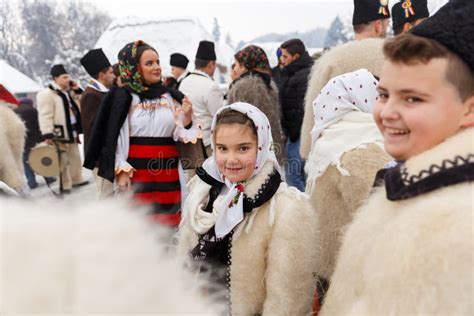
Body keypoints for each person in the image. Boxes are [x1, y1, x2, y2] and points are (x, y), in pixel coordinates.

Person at [321, 1, 474, 314]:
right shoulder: (402, 181)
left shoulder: (456, 224)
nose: (387, 112)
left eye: (413, 99)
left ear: (469, 109)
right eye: (383, 94)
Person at [177, 102, 319, 315]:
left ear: (261, 146)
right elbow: (185, 265)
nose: (231, 159)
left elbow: (288, 297)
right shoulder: (203, 193)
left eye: (243, 148)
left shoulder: (284, 209)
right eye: (222, 148)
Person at [84, 40, 201, 227]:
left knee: (169, 221)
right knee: (141, 222)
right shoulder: (124, 97)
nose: (156, 67)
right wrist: (121, 170)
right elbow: (116, 137)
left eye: (157, 62)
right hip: (137, 171)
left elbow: (181, 135)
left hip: (167, 168)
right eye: (149, 63)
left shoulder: (171, 97)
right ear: (133, 68)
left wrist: (186, 119)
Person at [305, 69, 391, 302]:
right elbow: (379, 222)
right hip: (354, 276)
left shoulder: (330, 142)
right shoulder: (362, 151)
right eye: (381, 96)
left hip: (326, 265)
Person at [300, 0, 391, 160]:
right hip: (388, 152)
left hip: (336, 157)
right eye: (386, 24)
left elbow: (312, 114)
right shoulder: (398, 55)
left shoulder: (330, 60)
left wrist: (308, 152)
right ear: (378, 26)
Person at [227, 45, 285, 164]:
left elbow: (233, 121)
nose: (235, 69)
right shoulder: (269, 84)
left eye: (237, 65)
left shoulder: (241, 87)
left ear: (245, 66)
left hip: (249, 149)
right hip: (271, 144)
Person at [36, 64, 88, 193]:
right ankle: (65, 184)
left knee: (75, 156)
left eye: (68, 77)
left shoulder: (69, 91)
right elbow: (45, 115)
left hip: (72, 130)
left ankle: (77, 179)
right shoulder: (47, 94)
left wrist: (77, 90)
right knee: (62, 159)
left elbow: (83, 103)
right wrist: (47, 133)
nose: (67, 79)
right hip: (58, 132)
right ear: (55, 79)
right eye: (64, 77)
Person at [80, 48, 116, 198]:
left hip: (107, 156)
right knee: (105, 195)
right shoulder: (91, 95)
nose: (114, 76)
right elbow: (94, 129)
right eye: (111, 73)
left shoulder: (102, 92)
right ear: (102, 75)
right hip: (101, 158)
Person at [278, 38, 313, 191]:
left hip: (298, 135)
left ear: (296, 57)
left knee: (293, 177)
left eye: (285, 56)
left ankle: (305, 210)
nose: (281, 60)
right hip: (296, 133)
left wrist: (292, 131)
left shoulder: (303, 75)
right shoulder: (293, 73)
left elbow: (302, 108)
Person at [179, 40, 224, 155]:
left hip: (188, 141)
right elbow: (220, 116)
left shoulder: (184, 82)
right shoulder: (211, 86)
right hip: (207, 145)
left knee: (192, 173)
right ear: (210, 64)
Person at [13, 97, 56, 189]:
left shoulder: (14, 112)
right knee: (41, 158)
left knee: (25, 161)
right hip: (35, 139)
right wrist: (43, 138)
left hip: (22, 140)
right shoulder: (33, 110)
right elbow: (39, 125)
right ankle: (48, 177)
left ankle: (31, 182)